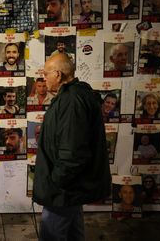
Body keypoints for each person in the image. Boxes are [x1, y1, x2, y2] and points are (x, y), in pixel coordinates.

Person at [33, 54, 111, 240]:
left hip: (64, 190)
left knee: (51, 234)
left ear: (58, 75)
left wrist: (56, 181)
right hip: (71, 188)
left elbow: (73, 152)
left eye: (46, 74)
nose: (44, 78)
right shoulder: (73, 96)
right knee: (73, 234)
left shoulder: (71, 101)